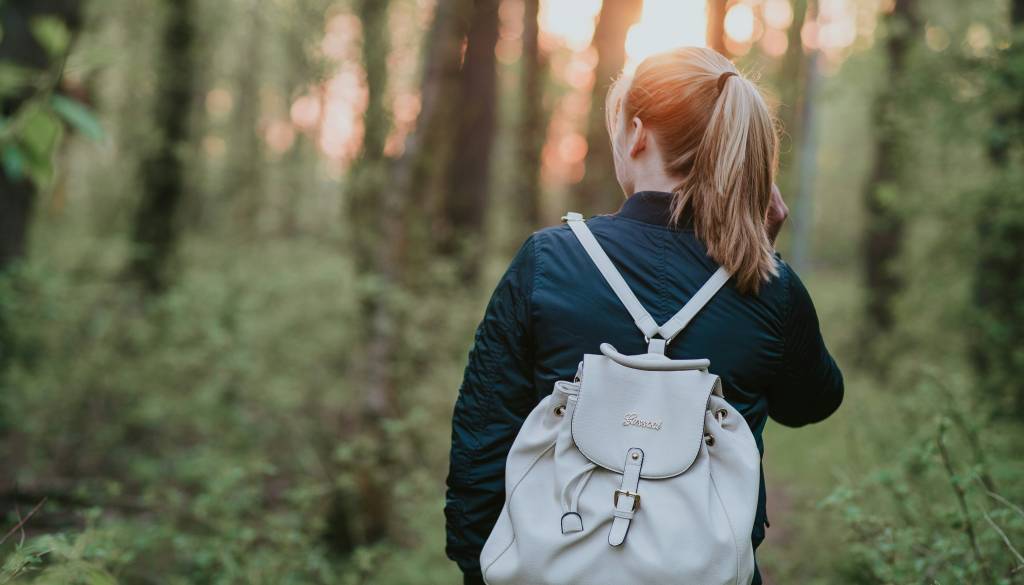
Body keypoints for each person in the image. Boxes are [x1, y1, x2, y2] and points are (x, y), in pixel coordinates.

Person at [444, 46, 844, 585]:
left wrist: (477, 565)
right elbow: (810, 401)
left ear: (636, 134)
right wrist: (764, 263)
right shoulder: (769, 287)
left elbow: (482, 439)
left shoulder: (548, 261)